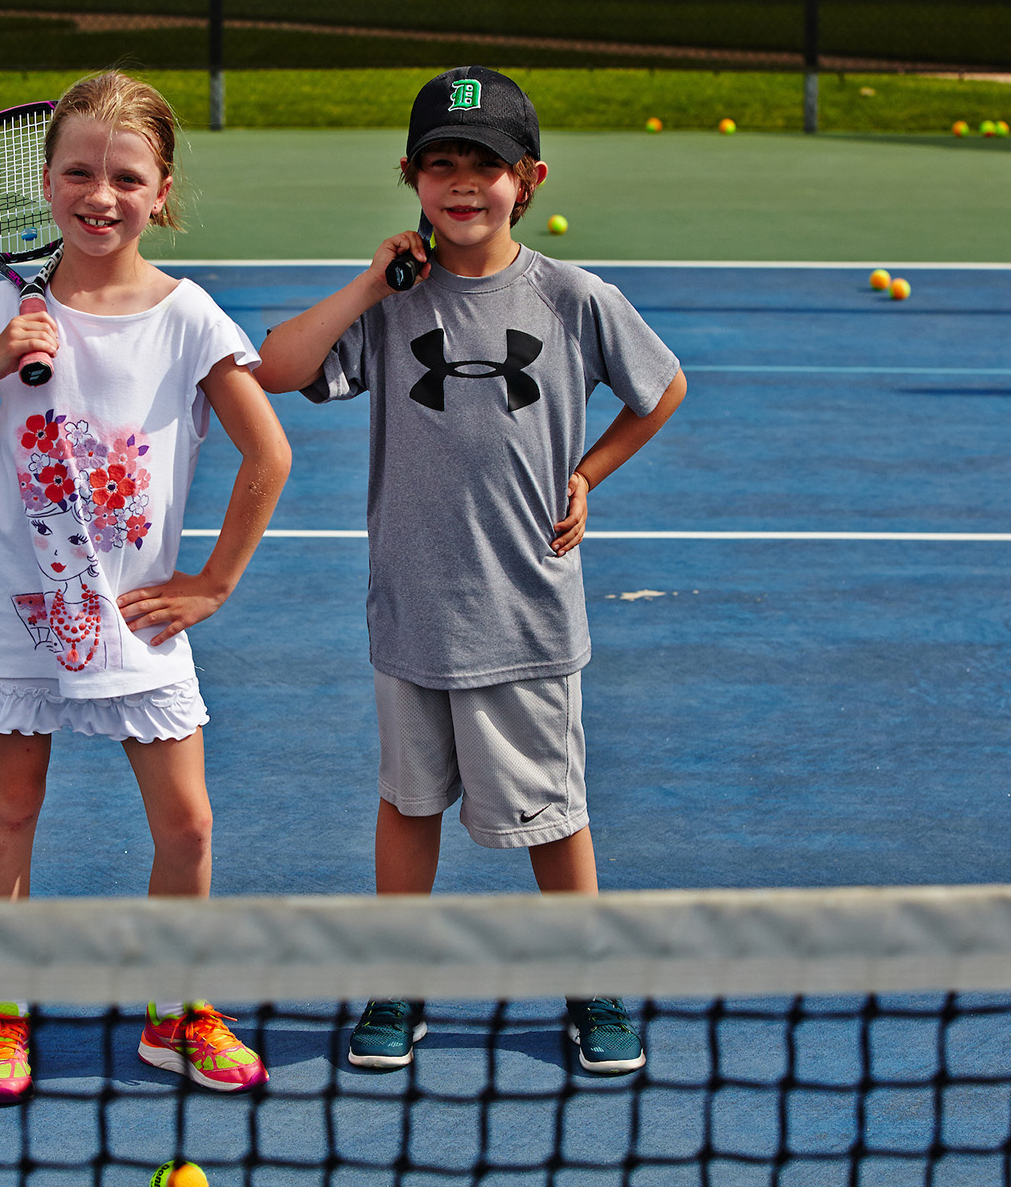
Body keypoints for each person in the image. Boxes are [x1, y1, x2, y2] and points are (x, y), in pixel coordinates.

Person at [255, 66, 687, 1075]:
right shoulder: (393, 304)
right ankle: (398, 982)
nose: (462, 183)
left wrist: (587, 473)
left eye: (485, 165)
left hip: (525, 613)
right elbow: (278, 367)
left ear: (528, 180)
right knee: (408, 804)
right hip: (413, 610)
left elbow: (661, 388)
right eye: (440, 164)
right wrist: (371, 282)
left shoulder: (574, 297)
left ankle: (589, 982)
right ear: (410, 177)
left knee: (554, 813)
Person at [0, 71, 291, 1104]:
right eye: (78, 172)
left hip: (135, 618)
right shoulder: (0, 305)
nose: (99, 195)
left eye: (125, 177)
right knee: (11, 807)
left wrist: (214, 582)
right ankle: (0, 1015)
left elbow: (269, 454)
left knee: (188, 826)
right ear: (46, 183)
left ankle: (175, 1011)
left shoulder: (190, 317)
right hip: (21, 608)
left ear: (162, 192)